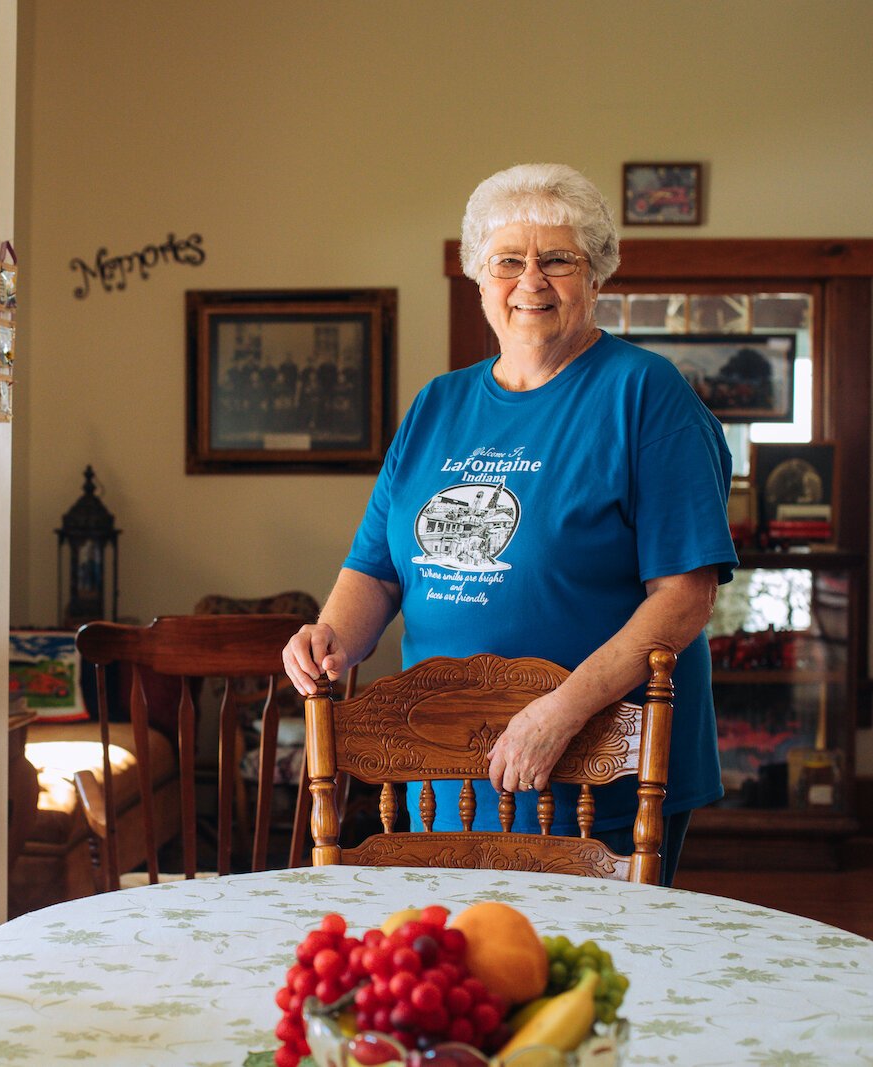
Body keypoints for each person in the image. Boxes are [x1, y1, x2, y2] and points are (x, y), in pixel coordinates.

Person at [281, 163, 736, 886]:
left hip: (595, 765)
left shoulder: (645, 395)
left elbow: (685, 596)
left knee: (576, 982)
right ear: (477, 276)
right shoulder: (438, 405)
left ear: (597, 275)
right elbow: (377, 568)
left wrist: (559, 712)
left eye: (559, 258)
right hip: (442, 765)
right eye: (508, 261)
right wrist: (329, 636)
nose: (532, 281)